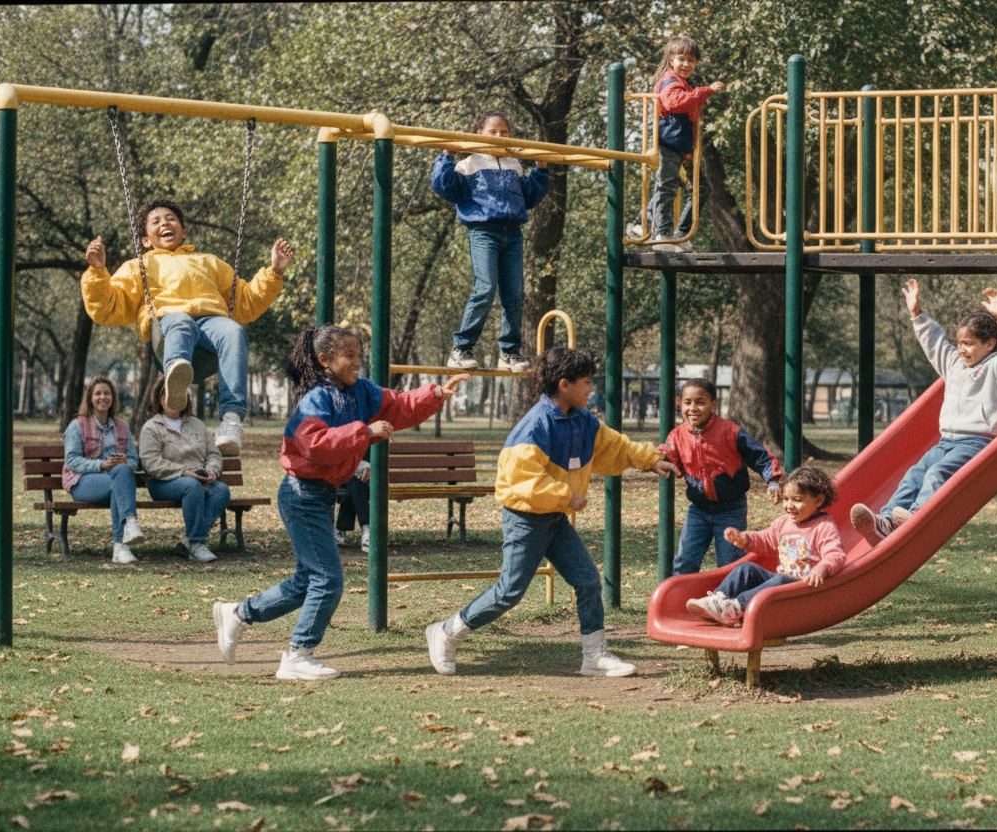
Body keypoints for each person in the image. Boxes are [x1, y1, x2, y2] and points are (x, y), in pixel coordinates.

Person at [212, 325, 468, 681]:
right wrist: (365, 432)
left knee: (308, 581)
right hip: (301, 494)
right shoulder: (317, 398)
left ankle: (238, 614)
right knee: (328, 580)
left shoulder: (361, 392)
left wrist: (437, 393)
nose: (357, 363)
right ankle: (298, 654)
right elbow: (313, 443)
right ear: (325, 360)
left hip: (319, 494)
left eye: (359, 356)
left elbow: (399, 406)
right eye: (350, 356)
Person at [425, 346, 679, 678]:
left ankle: (595, 656)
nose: (592, 389)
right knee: (510, 591)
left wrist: (651, 460)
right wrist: (566, 496)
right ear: (564, 384)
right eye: (586, 382)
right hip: (525, 519)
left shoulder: (583, 421)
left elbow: (616, 447)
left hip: (554, 518)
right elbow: (519, 481)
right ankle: (446, 631)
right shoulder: (534, 426)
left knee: (588, 581)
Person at [82, 197, 293, 456]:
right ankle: (176, 376)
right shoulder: (140, 265)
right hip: (168, 322)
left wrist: (274, 271)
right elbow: (109, 306)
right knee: (181, 321)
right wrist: (97, 271)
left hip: (211, 323)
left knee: (234, 331)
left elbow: (245, 301)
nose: (165, 223)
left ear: (183, 231)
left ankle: (231, 421)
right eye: (156, 221)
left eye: (171, 219)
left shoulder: (209, 262)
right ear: (145, 240)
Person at [850, 281, 997, 545]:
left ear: (990, 344)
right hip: (946, 441)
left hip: (976, 443)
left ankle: (917, 517)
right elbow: (934, 344)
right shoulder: (955, 366)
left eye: (969, 344)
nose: (961, 349)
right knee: (914, 474)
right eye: (960, 343)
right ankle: (885, 522)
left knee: (936, 474)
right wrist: (916, 314)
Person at [431, 112, 550, 374]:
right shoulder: (470, 163)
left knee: (515, 294)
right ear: (479, 133)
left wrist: (540, 170)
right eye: (492, 132)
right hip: (484, 231)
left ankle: (509, 352)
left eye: (504, 132)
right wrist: (447, 156)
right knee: (485, 288)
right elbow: (444, 187)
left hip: (513, 233)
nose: (499, 136)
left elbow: (528, 196)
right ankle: (461, 348)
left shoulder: (514, 163)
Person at [686, 466, 845, 627]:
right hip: (780, 588)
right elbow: (766, 539)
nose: (789, 505)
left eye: (797, 500)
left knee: (781, 579)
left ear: (818, 500)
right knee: (747, 568)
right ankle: (717, 602)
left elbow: (835, 554)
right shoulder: (783, 523)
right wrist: (744, 539)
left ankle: (735, 607)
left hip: (804, 590)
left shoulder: (823, 526)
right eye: (785, 499)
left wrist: (822, 567)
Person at [657, 378, 782, 575]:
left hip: (731, 509)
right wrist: (656, 460)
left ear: (713, 404)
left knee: (730, 561)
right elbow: (671, 461)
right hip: (698, 509)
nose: (693, 408)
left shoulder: (731, 432)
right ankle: (679, 601)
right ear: (680, 403)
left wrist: (772, 480)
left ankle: (729, 600)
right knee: (685, 560)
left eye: (700, 402)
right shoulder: (677, 436)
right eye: (687, 402)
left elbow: (760, 456)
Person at [640, 36, 726, 253]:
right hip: (668, 144)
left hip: (685, 148)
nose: (687, 65)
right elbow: (674, 103)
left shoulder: (684, 83)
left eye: (692, 61)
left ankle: (680, 235)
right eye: (682, 59)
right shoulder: (670, 81)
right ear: (671, 60)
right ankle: (662, 235)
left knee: (702, 187)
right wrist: (707, 90)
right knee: (666, 186)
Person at [139, 373, 230, 563]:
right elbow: (151, 463)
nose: (173, 398)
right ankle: (197, 544)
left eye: (179, 393)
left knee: (221, 490)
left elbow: (213, 453)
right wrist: (184, 473)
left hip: (198, 480)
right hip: (164, 484)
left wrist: (212, 471)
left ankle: (188, 542)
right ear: (160, 398)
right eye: (168, 393)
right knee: (191, 485)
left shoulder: (196, 424)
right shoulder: (152, 427)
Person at [62, 374, 144, 565]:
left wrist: (125, 460)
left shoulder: (122, 427)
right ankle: (124, 539)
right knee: (120, 483)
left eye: (107, 393)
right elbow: (72, 460)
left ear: (113, 397)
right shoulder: (77, 425)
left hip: (115, 480)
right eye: (98, 393)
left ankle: (123, 541)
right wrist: (101, 465)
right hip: (83, 481)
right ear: (90, 398)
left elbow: (134, 460)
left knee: (122, 474)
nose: (102, 397)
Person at [334, 457, 371, 554]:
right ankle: (367, 528)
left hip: (372, 479)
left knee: (355, 483)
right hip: (346, 477)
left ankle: (341, 528)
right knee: (355, 483)